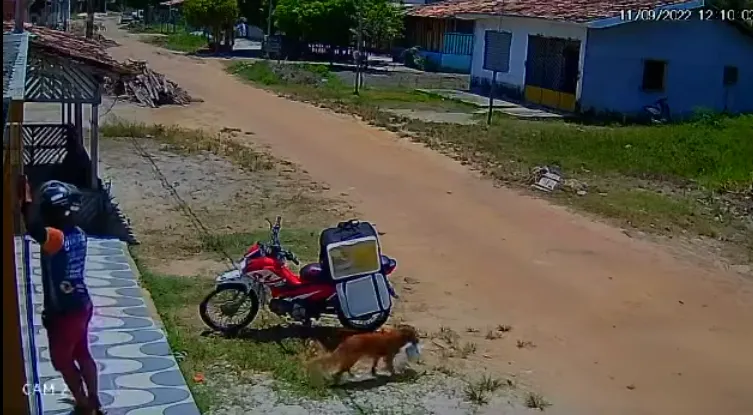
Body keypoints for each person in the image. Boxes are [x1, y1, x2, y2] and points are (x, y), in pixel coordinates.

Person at [19, 178, 104, 415]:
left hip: (65, 312)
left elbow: (34, 229)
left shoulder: (55, 237)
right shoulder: (78, 233)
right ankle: (94, 397)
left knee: (62, 360)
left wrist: (25, 200)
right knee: (82, 352)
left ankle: (83, 403)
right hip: (82, 303)